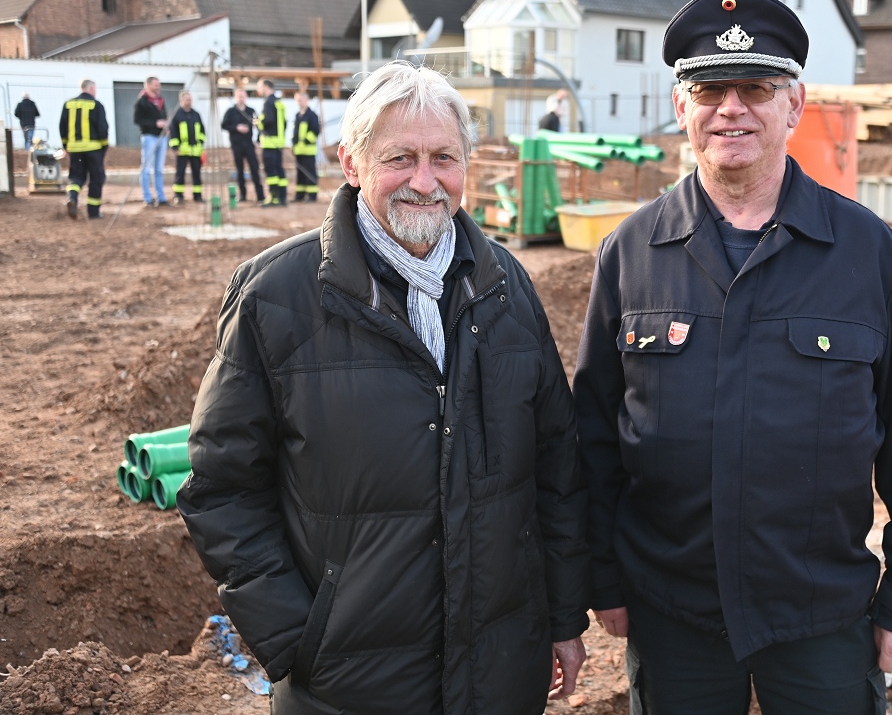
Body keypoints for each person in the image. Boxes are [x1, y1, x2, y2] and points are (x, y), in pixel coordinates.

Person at [573, 0, 892, 715]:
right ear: (681, 105)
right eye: (709, 91)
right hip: (672, 613)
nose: (732, 109)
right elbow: (593, 439)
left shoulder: (871, 255)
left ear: (794, 105)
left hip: (820, 614)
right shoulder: (630, 253)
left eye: (755, 88)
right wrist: (601, 576)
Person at [177, 60, 589, 715]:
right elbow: (221, 488)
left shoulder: (505, 287)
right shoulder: (277, 297)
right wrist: (297, 638)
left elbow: (556, 468)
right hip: (346, 686)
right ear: (351, 162)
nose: (425, 182)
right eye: (401, 158)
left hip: (499, 673)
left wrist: (563, 617)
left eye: (443, 158)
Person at [58, 78, 108, 220]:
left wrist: (66, 145)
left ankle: (72, 198)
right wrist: (104, 146)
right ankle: (93, 212)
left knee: (76, 177)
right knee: (96, 179)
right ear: (91, 88)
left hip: (74, 150)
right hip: (94, 149)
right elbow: (103, 128)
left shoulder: (68, 104)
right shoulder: (96, 105)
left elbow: (62, 127)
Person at [221, 87, 264, 202]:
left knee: (254, 168)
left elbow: (258, 125)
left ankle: (260, 195)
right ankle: (243, 195)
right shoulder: (231, 111)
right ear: (236, 97)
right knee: (239, 170)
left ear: (246, 97)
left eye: (243, 96)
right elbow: (224, 125)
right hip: (236, 145)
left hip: (249, 144)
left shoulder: (251, 111)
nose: (241, 99)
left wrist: (258, 140)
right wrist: (236, 127)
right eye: (239, 96)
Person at [134, 76, 170, 207]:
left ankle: (161, 197)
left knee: (159, 169)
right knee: (146, 168)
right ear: (148, 85)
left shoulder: (160, 100)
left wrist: (166, 127)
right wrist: (155, 123)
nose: (158, 87)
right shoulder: (142, 101)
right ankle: (147, 198)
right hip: (149, 137)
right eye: (156, 84)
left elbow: (164, 116)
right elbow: (137, 120)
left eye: (159, 84)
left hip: (162, 137)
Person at [168, 91, 206, 204]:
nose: (189, 102)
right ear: (181, 100)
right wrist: (175, 147)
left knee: (197, 174)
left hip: (195, 150)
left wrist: (201, 142)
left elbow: (202, 130)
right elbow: (173, 132)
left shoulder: (196, 114)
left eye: (190, 100)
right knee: (180, 173)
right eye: (187, 100)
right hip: (182, 151)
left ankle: (198, 195)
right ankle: (178, 195)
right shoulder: (176, 114)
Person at [256, 78, 288, 206]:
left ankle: (274, 198)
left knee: (271, 171)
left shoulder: (268, 102)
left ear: (266, 87)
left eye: (260, 87)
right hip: (279, 143)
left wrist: (258, 123)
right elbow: (284, 123)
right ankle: (282, 197)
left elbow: (268, 121)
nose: (259, 90)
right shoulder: (278, 102)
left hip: (269, 143)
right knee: (279, 170)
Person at [290, 90, 321, 203]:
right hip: (298, 150)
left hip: (308, 150)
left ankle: (312, 196)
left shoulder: (312, 115)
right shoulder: (297, 115)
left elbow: (315, 131)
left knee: (310, 172)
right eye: (297, 100)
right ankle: (300, 195)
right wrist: (294, 145)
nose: (299, 102)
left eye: (301, 100)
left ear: (307, 100)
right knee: (300, 174)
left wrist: (305, 141)